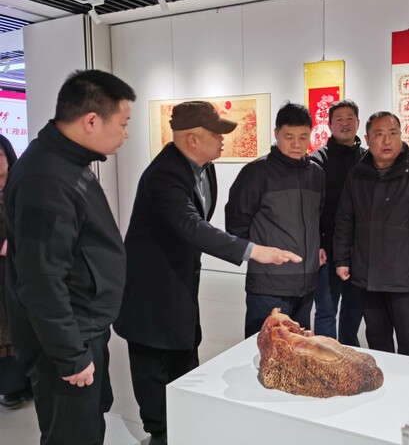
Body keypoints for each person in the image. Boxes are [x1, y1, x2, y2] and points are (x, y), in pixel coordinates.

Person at [113, 101, 301, 445]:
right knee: (154, 362)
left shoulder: (204, 168)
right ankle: (160, 432)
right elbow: (191, 225)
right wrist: (254, 250)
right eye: (216, 134)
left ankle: (184, 425)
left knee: (184, 353)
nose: (222, 139)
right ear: (192, 139)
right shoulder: (164, 175)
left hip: (181, 281)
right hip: (150, 290)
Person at [4, 69, 136, 444]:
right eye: (123, 123)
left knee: (89, 423)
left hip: (83, 326)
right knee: (72, 434)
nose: (125, 133)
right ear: (91, 121)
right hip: (66, 337)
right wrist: (70, 356)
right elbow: (41, 280)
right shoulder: (45, 179)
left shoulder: (67, 162)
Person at [333, 111, 409, 359]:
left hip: (405, 276)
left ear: (401, 135)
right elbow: (344, 221)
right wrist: (342, 259)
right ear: (367, 139)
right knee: (377, 341)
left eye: (392, 133)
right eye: (379, 135)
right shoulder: (357, 175)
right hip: (368, 276)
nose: (387, 141)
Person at [226, 102, 325, 338]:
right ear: (276, 134)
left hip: (306, 284)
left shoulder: (316, 174)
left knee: (299, 349)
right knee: (264, 347)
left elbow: (318, 219)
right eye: (289, 137)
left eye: (303, 137)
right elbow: (236, 222)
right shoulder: (256, 172)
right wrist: (259, 254)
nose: (297, 144)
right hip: (268, 286)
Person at [310, 99, 365, 345]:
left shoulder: (368, 159)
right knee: (326, 310)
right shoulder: (317, 160)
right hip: (327, 249)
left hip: (360, 251)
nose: (345, 123)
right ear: (330, 125)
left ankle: (349, 353)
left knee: (354, 310)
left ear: (358, 123)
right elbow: (311, 209)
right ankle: (326, 357)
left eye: (349, 118)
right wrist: (317, 244)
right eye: (339, 119)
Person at [0, 135, 31, 410]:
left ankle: (30, 379)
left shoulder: (21, 185)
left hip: (25, 266)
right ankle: (10, 386)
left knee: (25, 321)